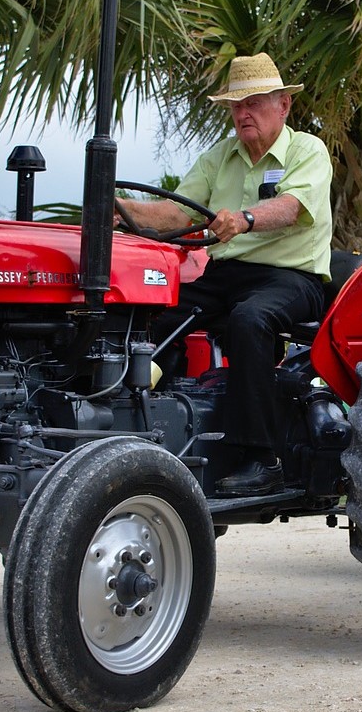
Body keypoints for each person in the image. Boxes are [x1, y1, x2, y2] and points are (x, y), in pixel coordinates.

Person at [126, 53, 333, 496]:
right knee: (152, 311)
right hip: (226, 273)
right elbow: (173, 213)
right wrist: (120, 207)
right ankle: (135, 421)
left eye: (255, 101)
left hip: (293, 278)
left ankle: (262, 458)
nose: (244, 112)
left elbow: (295, 206)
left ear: (284, 106)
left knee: (251, 319)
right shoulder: (220, 157)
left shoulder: (307, 151)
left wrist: (245, 219)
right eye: (237, 104)